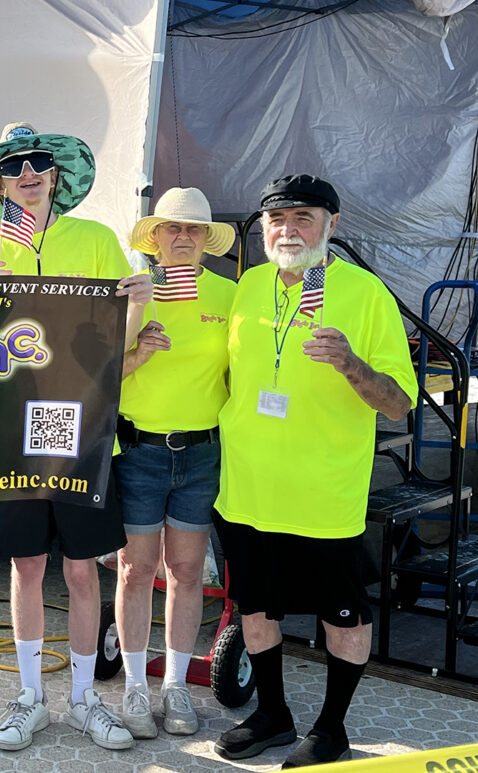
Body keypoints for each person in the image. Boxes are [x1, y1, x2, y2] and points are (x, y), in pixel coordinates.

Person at [0, 122, 153, 752]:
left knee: (85, 570)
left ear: (57, 175)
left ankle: (86, 697)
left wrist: (141, 302)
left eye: (40, 161)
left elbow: (117, 342)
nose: (29, 173)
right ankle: (31, 696)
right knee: (26, 565)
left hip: (85, 432)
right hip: (12, 436)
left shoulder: (95, 240)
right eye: (14, 166)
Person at [212, 175, 415, 768]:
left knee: (341, 614)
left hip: (324, 494)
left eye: (304, 217)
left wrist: (350, 363)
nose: (288, 229)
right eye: (277, 219)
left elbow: (399, 402)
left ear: (333, 223)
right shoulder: (248, 286)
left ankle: (332, 728)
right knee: (254, 608)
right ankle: (273, 714)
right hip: (247, 489)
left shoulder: (365, 293)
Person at [113, 187, 236, 739]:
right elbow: (94, 375)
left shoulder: (232, 295)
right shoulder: (131, 291)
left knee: (186, 572)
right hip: (138, 450)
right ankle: (137, 685)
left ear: (207, 241)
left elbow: (245, 372)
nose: (182, 237)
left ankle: (176, 685)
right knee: (135, 571)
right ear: (154, 237)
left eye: (192, 230)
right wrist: (137, 343)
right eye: (171, 228)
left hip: (202, 451)